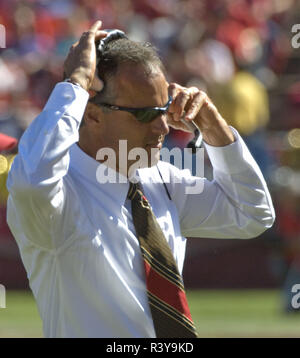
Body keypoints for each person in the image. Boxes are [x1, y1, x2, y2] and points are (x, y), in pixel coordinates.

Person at [6, 21, 275, 338]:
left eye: (163, 109)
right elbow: (31, 181)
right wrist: (74, 83)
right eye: (145, 113)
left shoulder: (158, 176)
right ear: (91, 113)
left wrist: (215, 128)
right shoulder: (59, 193)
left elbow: (253, 213)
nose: (163, 128)